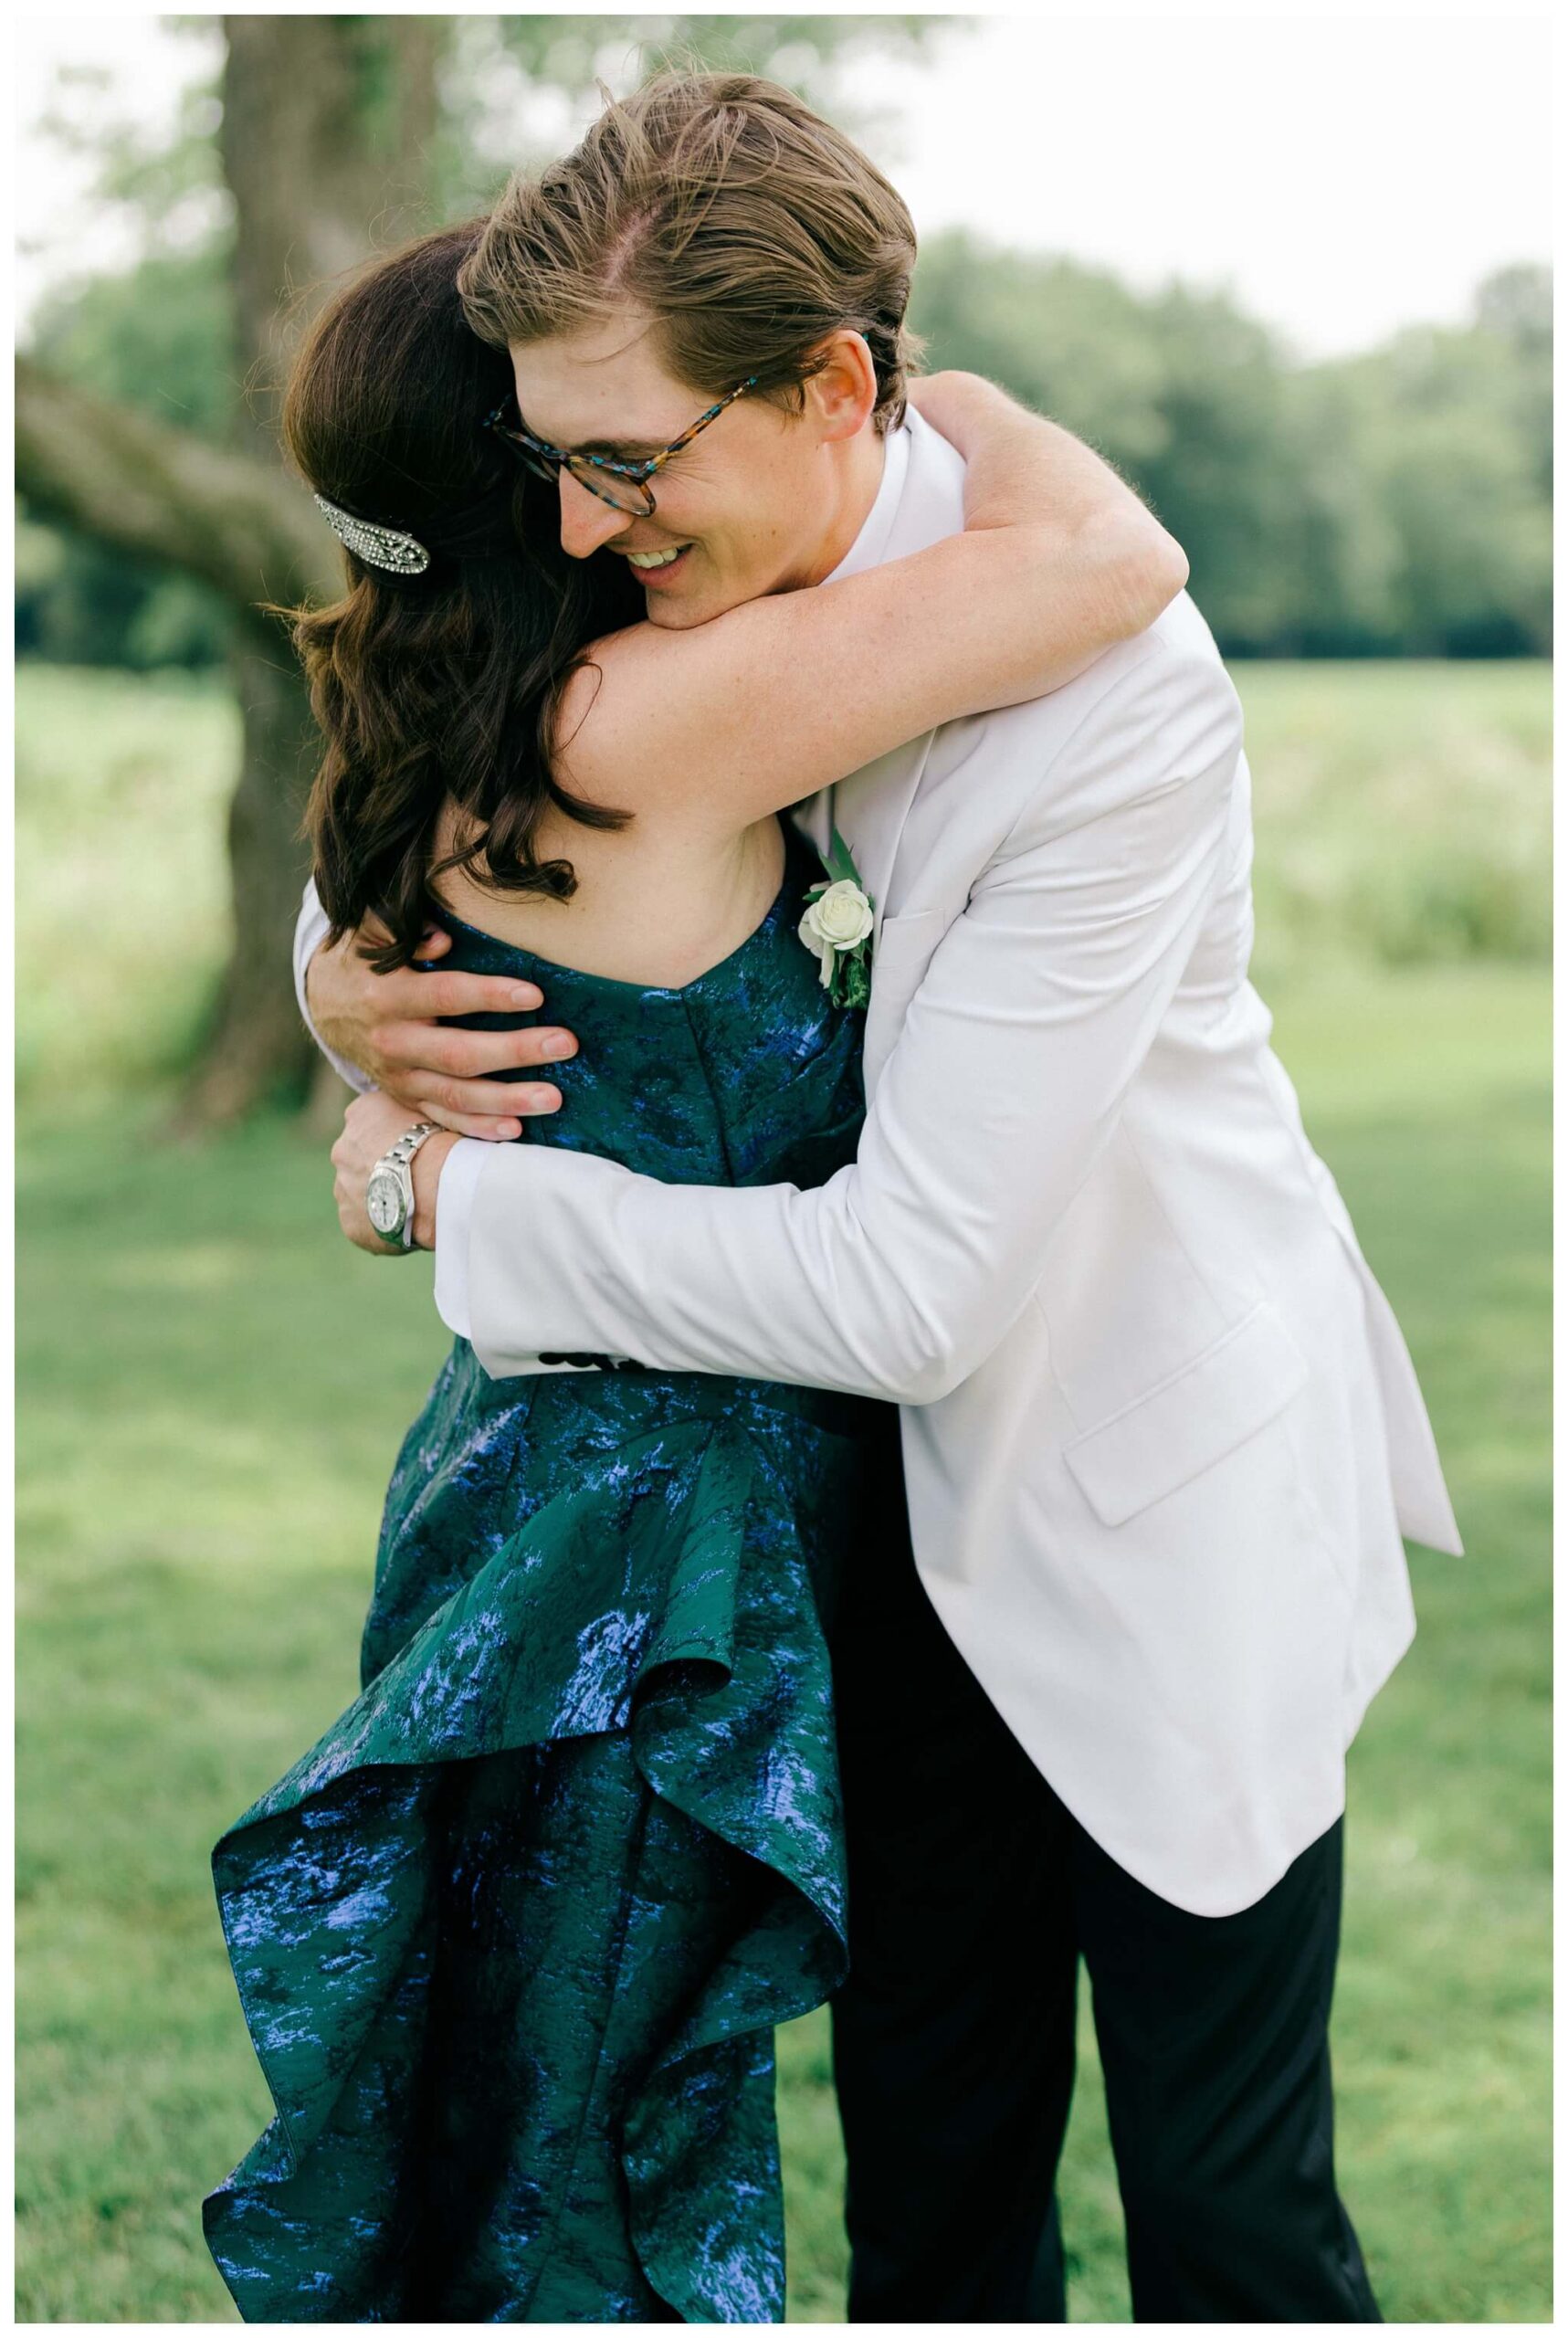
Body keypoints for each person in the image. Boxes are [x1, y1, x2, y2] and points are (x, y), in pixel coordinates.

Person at [308, 74, 1467, 2324]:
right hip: (851, 1518)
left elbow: (920, 1281)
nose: (570, 522)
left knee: (1230, 2222)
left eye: (625, 459)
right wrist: (351, 985)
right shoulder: (666, 595)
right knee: (929, 2213)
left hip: (1151, 1496)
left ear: (832, 385)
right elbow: (475, 796)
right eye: (549, 457)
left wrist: (445, 1204)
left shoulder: (1108, 691)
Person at [203, 207, 1182, 2322]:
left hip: (516, 1481)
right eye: (572, 448)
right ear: (520, 481)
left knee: (538, 2096)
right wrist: (956, 387)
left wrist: (350, 1055)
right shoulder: (654, 714)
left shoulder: (440, 722)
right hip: (661, 1554)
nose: (604, 490)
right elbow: (1098, 566)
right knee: (602, 2156)